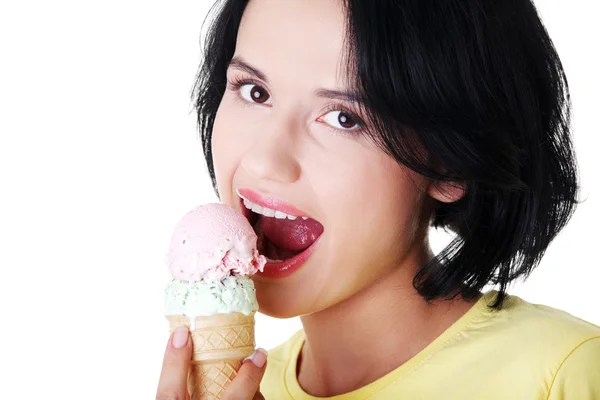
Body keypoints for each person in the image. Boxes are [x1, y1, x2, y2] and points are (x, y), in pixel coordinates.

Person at [156, 0, 600, 399]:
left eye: (344, 117)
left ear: (450, 163)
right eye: (255, 91)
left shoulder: (561, 373)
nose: (266, 160)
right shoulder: (247, 387)